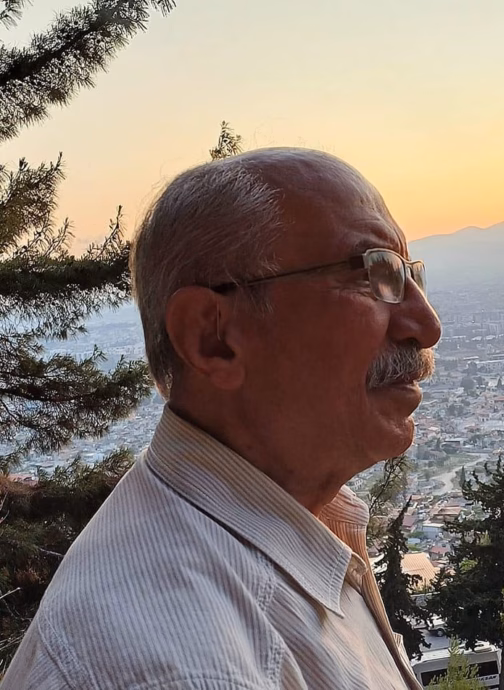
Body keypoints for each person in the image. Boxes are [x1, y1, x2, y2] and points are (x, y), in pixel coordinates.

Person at [2, 148, 441, 689]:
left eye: (408, 276)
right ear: (212, 338)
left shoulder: (288, 527)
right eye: (372, 275)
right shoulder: (178, 662)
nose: (426, 325)